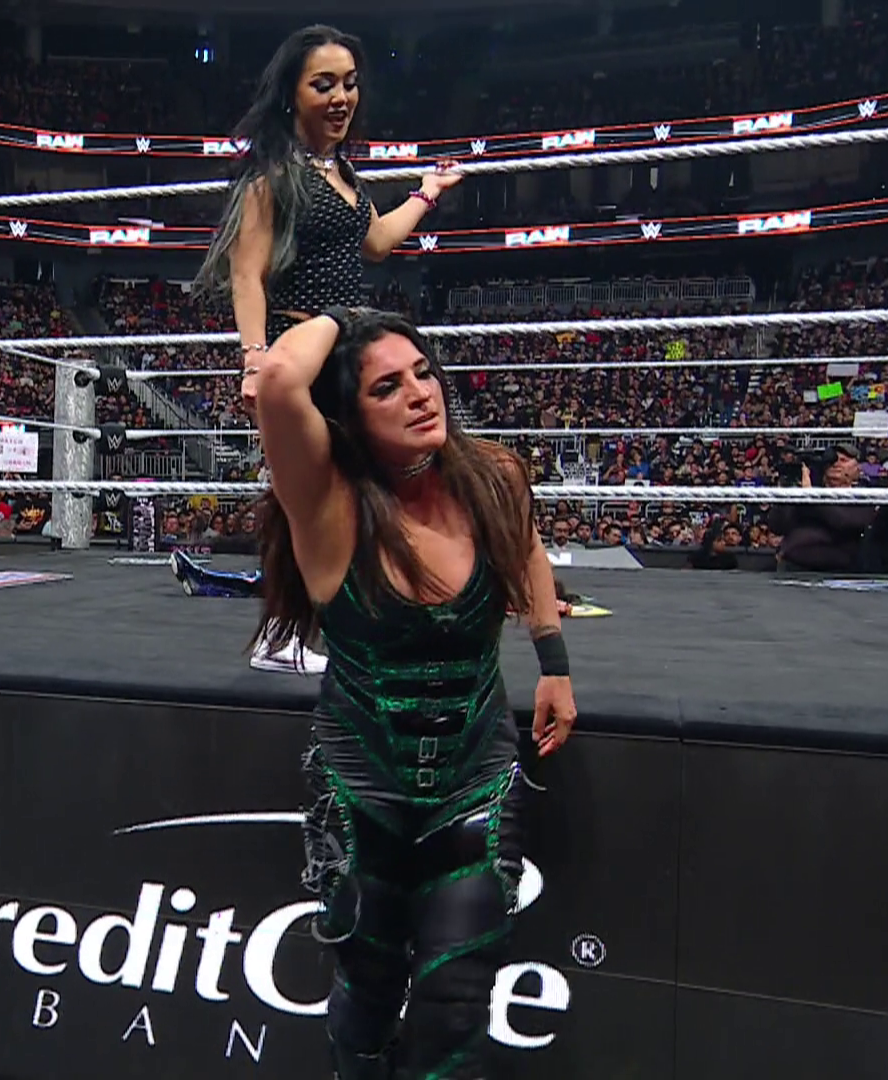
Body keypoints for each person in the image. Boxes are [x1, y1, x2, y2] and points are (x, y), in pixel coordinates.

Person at [246, 308, 577, 1079]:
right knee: (368, 989)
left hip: (474, 778)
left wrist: (553, 660)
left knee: (457, 1002)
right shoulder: (328, 505)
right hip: (363, 788)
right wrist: (349, 312)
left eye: (424, 373)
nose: (421, 394)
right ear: (350, 417)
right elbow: (280, 378)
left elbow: (526, 545)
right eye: (387, 387)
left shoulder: (492, 475)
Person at [194, 25, 462, 357]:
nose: (341, 97)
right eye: (323, 86)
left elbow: (378, 241)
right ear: (291, 95)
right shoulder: (273, 176)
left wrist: (428, 189)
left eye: (350, 84)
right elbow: (247, 275)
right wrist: (254, 359)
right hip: (297, 349)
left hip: (345, 348)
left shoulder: (342, 172)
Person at [767, 445, 875, 572]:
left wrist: (811, 495)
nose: (836, 464)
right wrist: (786, 494)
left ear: (857, 469)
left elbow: (845, 522)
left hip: (838, 571)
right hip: (794, 567)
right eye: (832, 460)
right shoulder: (805, 488)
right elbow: (777, 525)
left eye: (843, 460)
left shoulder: (863, 495)